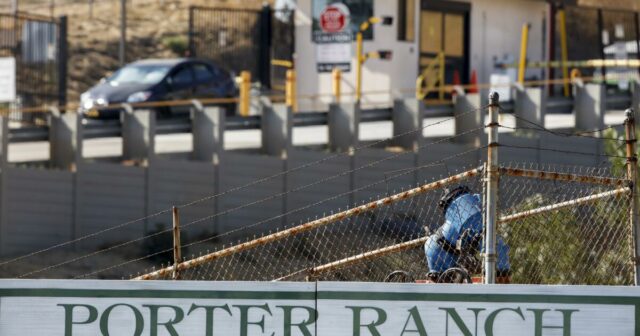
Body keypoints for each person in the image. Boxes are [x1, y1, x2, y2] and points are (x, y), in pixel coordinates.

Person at [424, 185, 510, 282]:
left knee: (498, 247)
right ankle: (500, 287)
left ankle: (498, 284)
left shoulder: (473, 219)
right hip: (440, 248)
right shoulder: (475, 218)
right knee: (498, 248)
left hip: (438, 248)